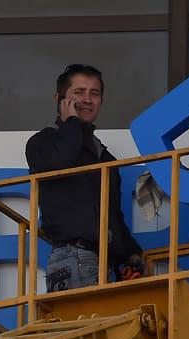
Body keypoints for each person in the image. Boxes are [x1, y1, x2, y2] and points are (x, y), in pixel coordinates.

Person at [25, 64, 143, 292]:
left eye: (94, 93)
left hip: (102, 261)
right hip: (73, 255)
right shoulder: (43, 141)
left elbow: (112, 216)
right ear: (60, 99)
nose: (88, 99)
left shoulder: (104, 156)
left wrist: (130, 253)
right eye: (79, 92)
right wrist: (71, 122)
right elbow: (58, 164)